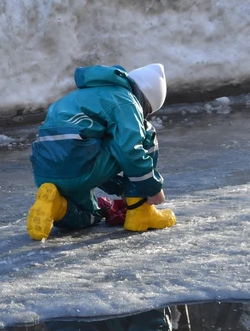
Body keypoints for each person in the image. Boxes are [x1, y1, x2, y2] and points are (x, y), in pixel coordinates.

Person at [27, 63, 177, 240]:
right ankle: (141, 212)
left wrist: (120, 187)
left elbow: (86, 149)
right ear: (145, 100)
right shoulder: (126, 100)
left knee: (89, 215)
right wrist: (149, 187)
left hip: (46, 170)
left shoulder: (78, 97)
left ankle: (57, 206)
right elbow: (129, 149)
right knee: (146, 133)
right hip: (80, 164)